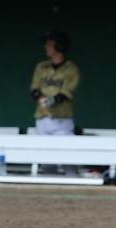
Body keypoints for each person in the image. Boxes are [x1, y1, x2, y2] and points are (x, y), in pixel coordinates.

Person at [29, 29, 80, 174]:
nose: (46, 47)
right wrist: (40, 97)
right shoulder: (41, 67)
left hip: (62, 120)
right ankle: (48, 187)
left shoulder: (71, 69)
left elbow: (67, 92)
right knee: (46, 160)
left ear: (60, 46)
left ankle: (74, 183)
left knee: (68, 158)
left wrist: (51, 100)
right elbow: (34, 88)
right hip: (42, 118)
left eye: (50, 44)